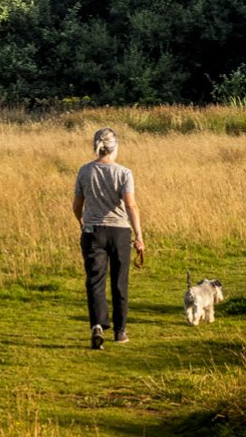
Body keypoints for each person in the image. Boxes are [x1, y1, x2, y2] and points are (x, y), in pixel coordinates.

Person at [74, 127, 142, 349]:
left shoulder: (85, 171)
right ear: (115, 147)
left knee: (95, 280)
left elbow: (77, 206)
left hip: (92, 230)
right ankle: (120, 331)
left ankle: (97, 325)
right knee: (119, 281)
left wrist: (82, 222)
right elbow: (130, 204)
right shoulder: (123, 173)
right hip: (120, 231)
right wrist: (139, 236)